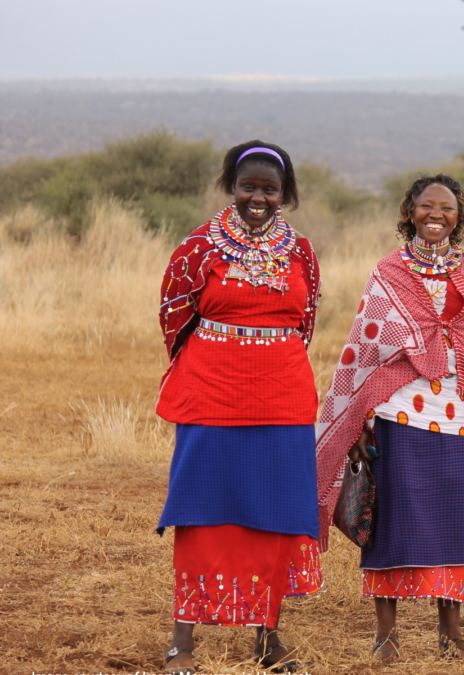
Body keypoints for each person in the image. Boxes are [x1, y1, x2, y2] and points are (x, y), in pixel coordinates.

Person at [315, 174, 464, 665]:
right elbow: (368, 345)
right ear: (410, 211)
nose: (436, 215)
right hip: (396, 410)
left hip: (459, 414)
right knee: (392, 519)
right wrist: (359, 420)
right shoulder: (389, 271)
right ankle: (386, 635)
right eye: (426, 206)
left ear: (460, 216)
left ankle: (450, 634)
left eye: (447, 208)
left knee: (454, 522)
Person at [155, 141, 322, 674]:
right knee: (202, 508)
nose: (258, 197)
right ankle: (184, 641)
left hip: (284, 396)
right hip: (211, 393)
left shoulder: (301, 253)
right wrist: (219, 357)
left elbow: (306, 321)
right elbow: (173, 316)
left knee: (275, 512)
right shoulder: (199, 247)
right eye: (248, 186)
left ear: (284, 195)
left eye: (269, 189)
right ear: (232, 186)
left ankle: (267, 636)